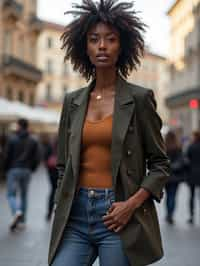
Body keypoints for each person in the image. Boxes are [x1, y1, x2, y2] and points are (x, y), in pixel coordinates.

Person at [48, 1, 170, 266]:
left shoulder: (139, 99)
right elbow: (62, 164)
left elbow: (160, 165)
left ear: (122, 46)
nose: (102, 46)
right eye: (94, 40)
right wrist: (62, 201)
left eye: (110, 39)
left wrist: (132, 204)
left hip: (119, 216)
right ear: (85, 47)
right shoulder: (73, 101)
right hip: (75, 216)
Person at [4, 118, 39, 231]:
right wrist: (32, 168)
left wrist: (5, 169)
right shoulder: (33, 140)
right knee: (24, 196)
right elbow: (37, 157)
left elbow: (6, 156)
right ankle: (23, 221)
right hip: (27, 170)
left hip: (13, 169)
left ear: (19, 126)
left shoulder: (12, 139)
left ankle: (16, 212)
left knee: (10, 194)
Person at [164, 131, 185, 225]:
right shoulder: (178, 148)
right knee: (173, 196)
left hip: (166, 177)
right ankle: (171, 214)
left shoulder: (164, 147)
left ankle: (168, 214)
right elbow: (181, 161)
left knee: (168, 196)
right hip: (175, 177)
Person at [185, 131, 200, 224]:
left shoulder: (191, 147)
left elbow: (186, 159)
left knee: (191, 196)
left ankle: (191, 215)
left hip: (192, 174)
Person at [42, 135, 58, 221]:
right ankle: (59, 213)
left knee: (52, 191)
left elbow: (45, 157)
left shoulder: (50, 145)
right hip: (62, 171)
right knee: (62, 192)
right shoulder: (66, 144)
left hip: (52, 171)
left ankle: (49, 213)